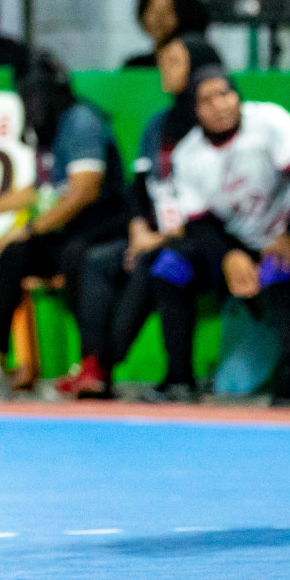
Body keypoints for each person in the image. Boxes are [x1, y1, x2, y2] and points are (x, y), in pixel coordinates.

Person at [0, 52, 130, 400]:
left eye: (37, 95)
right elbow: (38, 193)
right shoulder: (43, 133)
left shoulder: (81, 122)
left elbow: (83, 192)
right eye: (25, 96)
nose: (32, 104)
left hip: (103, 229)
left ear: (55, 91)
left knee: (78, 256)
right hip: (69, 235)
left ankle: (93, 366)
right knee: (14, 255)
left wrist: (30, 230)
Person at [57, 35, 224, 398]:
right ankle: (91, 362)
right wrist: (137, 229)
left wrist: (160, 240)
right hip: (154, 233)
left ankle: (106, 362)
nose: (164, 69)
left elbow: (216, 200)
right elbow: (140, 188)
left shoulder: (213, 125)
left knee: (156, 261)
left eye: (175, 61)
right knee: (96, 259)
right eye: (163, 61)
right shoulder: (158, 124)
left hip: (203, 239)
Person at [147, 68, 290, 401]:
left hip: (285, 233)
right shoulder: (188, 154)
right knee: (169, 267)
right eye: (206, 100)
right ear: (195, 110)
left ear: (237, 96)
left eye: (224, 94)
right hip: (231, 243)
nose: (218, 105)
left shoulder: (270, 123)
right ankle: (179, 377)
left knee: (278, 268)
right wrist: (228, 257)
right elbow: (199, 223)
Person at [121, 0, 211, 70]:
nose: (158, 19)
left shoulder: (204, 65)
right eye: (153, 11)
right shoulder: (136, 67)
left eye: (168, 11)